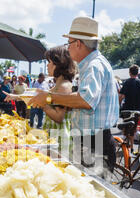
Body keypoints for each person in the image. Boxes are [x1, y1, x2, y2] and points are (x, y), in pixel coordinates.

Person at [28, 16, 119, 173]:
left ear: (78, 43)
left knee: (93, 192)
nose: (67, 48)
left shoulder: (93, 66)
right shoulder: (91, 65)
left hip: (94, 141)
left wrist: (48, 98)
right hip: (90, 139)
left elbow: (85, 100)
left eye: (68, 43)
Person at [119, 64, 140, 152]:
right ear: (138, 73)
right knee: (133, 128)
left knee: (126, 127)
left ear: (129, 72)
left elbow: (122, 96)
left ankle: (127, 145)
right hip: (137, 110)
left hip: (127, 109)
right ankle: (131, 146)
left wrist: (118, 105)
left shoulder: (126, 82)